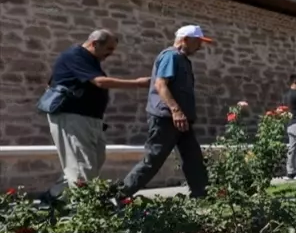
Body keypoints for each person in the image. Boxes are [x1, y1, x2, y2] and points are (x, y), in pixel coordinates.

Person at [43, 30, 150, 197]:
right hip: (72, 117)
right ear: (94, 43)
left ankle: (53, 197)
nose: (110, 54)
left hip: (89, 119)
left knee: (91, 161)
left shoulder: (89, 60)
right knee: (82, 165)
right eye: (108, 49)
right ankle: (86, 212)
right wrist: (137, 83)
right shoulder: (75, 56)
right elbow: (99, 82)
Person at [121, 25, 212, 198]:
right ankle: (120, 195)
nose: (200, 47)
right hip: (167, 118)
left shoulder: (182, 59)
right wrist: (176, 111)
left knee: (193, 158)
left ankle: (202, 195)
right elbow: (160, 84)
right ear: (185, 40)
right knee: (154, 158)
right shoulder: (171, 56)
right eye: (198, 42)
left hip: (181, 120)